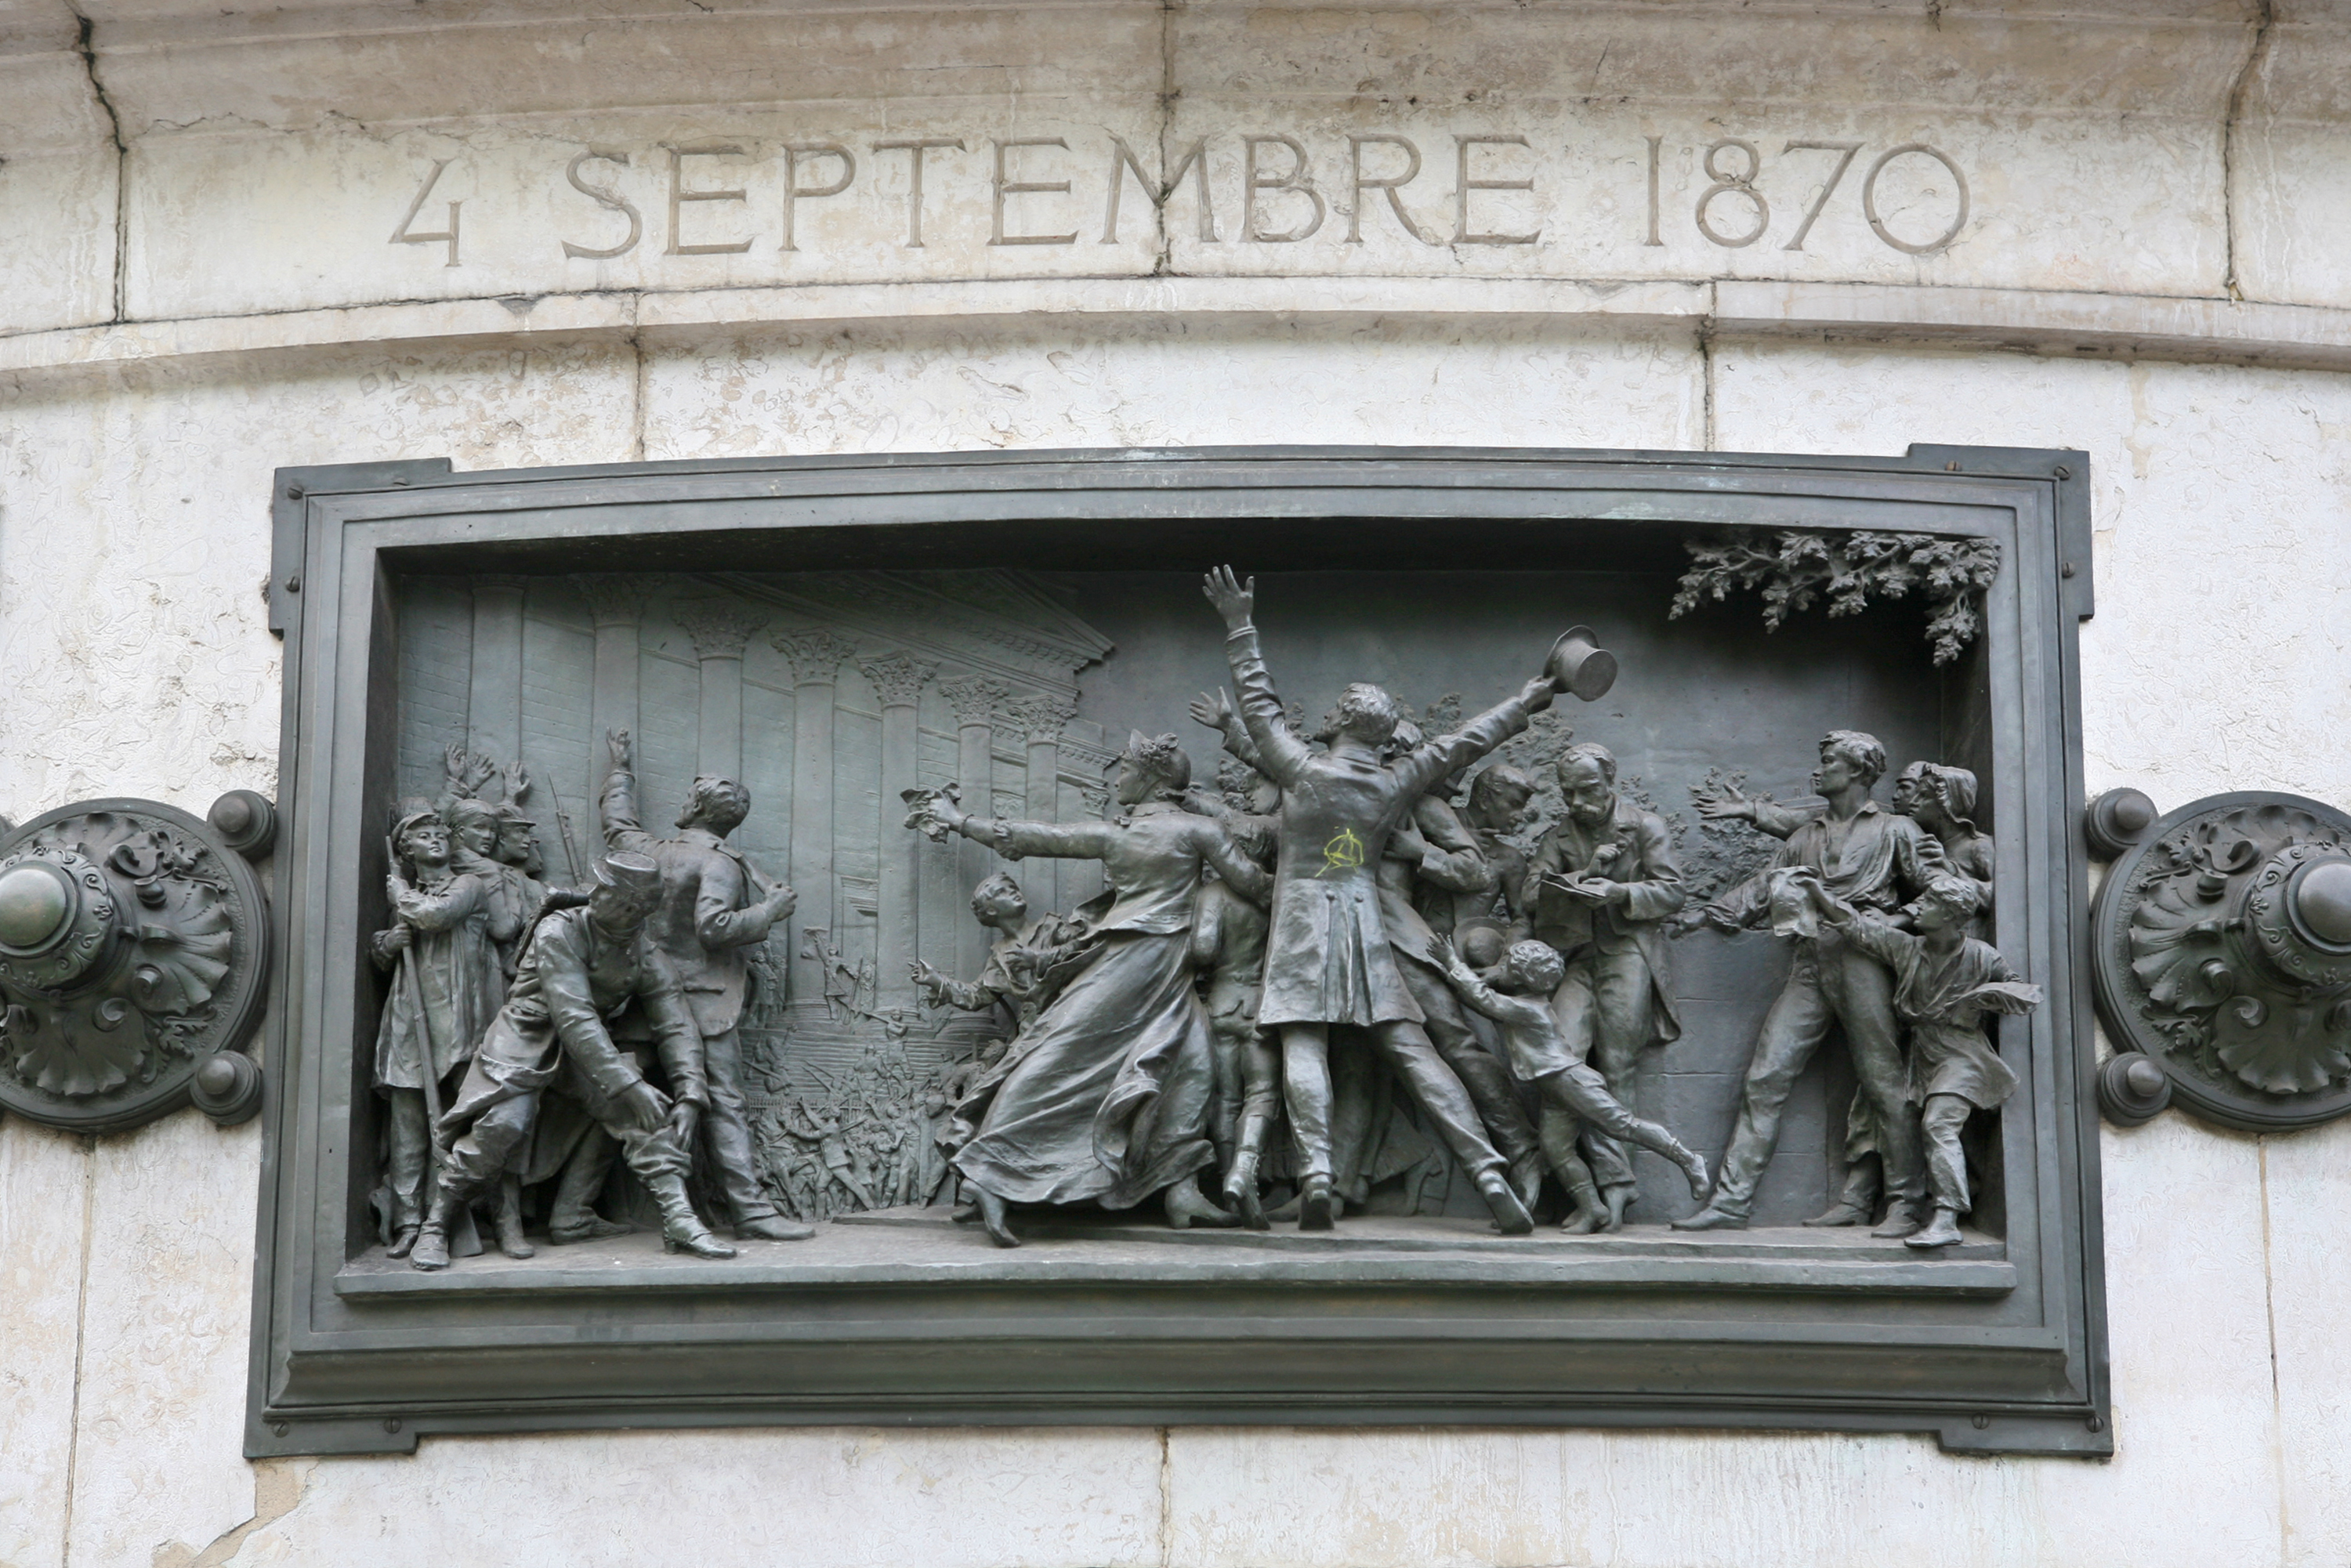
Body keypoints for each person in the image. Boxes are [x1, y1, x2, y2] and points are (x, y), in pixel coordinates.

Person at [1203, 565, 1548, 1234]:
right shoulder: (1395, 781)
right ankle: (1488, 1171)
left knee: (1303, 1042)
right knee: (1411, 1049)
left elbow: (1260, 704)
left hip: (1303, 919)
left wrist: (1239, 623)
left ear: (1335, 720)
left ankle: (1319, 1176)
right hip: (1364, 918)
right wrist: (1531, 699)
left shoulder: (1300, 767)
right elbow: (1463, 742)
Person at [906, 730, 1271, 1246]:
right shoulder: (1193, 831)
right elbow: (1255, 884)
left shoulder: (1146, 833)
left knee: (1194, 1065)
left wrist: (961, 820)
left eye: (1124, 769)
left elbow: (1034, 836)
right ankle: (990, 1172)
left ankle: (1179, 1189)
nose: (1117, 777)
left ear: (1151, 779)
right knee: (1061, 1055)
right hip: (1144, 964)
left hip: (1147, 966)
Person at [1671, 730, 1951, 1235]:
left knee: (1884, 1084)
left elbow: (1946, 890)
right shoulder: (1805, 836)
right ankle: (1732, 1203)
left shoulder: (1897, 830)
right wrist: (1707, 915)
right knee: (1765, 1077)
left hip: (1864, 959)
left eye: (1829, 762)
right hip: (1810, 963)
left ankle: (1907, 1202)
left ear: (1860, 771)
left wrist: (1901, 919)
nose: (1819, 772)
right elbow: (1766, 885)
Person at [413, 852, 734, 1269]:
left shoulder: (644, 952)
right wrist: (628, 1084)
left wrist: (691, 1093)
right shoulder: (558, 929)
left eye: (605, 889)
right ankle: (436, 1225)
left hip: (585, 1052)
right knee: (500, 1127)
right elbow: (573, 1014)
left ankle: (680, 1219)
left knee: (650, 1116)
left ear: (630, 906)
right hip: (525, 1039)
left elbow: (675, 1023)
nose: (593, 893)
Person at [602, 729, 810, 1243]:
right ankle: (750, 1211)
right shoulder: (719, 862)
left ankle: (574, 1206)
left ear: (695, 805)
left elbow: (617, 825)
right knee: (724, 1100)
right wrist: (768, 911)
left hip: (641, 996)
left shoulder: (648, 848)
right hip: (703, 1001)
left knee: (621, 1094)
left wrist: (620, 769)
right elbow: (713, 927)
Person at [1809, 874, 2038, 1249]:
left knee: (1938, 1124)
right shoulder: (1908, 949)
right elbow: (1858, 928)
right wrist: (1819, 893)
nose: (1920, 907)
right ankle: (1911, 1202)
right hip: (1921, 1053)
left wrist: (1989, 994)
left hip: (1961, 1054)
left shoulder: (1981, 955)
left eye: (1930, 903)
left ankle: (1948, 1217)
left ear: (1950, 916)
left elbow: (2023, 991)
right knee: (1911, 1122)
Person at [1434, 938, 1710, 1228]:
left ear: (1521, 975)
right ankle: (1592, 1208)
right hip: (1555, 1091)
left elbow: (1485, 1000)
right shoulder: (1528, 1003)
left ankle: (1689, 1159)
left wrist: (1453, 963)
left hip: (1573, 1082)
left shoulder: (1529, 1010)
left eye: (1507, 965)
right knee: (1557, 1151)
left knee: (1624, 1125)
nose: (1501, 968)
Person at [1520, 743, 1686, 1229]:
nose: (1576, 801)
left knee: (1616, 1068)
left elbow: (1672, 890)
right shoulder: (1559, 836)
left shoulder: (1645, 826)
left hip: (1627, 955)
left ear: (1610, 778)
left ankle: (1615, 1189)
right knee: (1560, 1060)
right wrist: (1583, 874)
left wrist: (1619, 892)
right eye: (1568, 791)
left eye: (1587, 789)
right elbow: (1531, 894)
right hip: (1575, 961)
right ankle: (1574, 1185)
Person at [370, 803, 505, 1258]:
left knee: (453, 1124)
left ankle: (443, 1219)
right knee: (408, 1127)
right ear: (407, 849)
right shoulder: (411, 896)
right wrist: (389, 942)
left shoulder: (468, 885)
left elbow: (436, 916)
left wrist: (400, 897)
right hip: (410, 1019)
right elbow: (386, 953)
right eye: (422, 835)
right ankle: (409, 1220)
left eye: (439, 832)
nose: (434, 839)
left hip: (457, 1022)